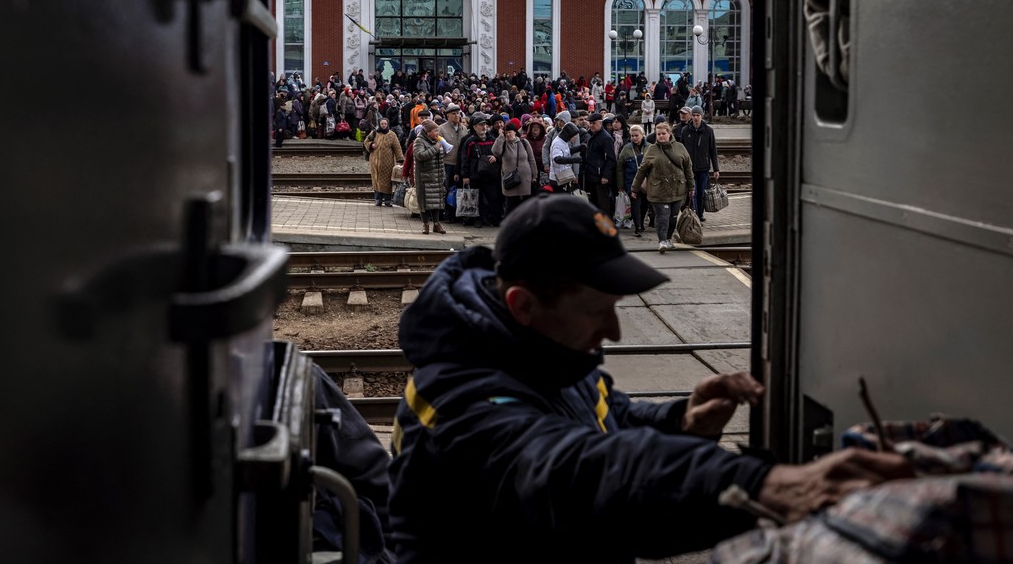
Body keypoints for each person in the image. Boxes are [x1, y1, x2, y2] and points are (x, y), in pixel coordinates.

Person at [388, 196, 913, 564]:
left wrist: (678, 419)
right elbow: (578, 471)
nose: (614, 332)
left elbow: (605, 416)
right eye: (598, 310)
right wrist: (759, 484)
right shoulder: (456, 397)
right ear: (522, 306)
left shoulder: (544, 352)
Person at [632, 121, 695, 252]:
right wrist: (635, 188)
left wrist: (691, 187)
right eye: (658, 134)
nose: (660, 136)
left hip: (677, 189)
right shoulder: (652, 150)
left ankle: (668, 239)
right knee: (662, 217)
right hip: (658, 190)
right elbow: (642, 170)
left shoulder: (680, 147)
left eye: (663, 133)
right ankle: (662, 241)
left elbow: (688, 168)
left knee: (673, 218)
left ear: (669, 133)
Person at [677, 106, 720, 223]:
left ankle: (700, 214)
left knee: (701, 193)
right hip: (689, 168)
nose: (696, 118)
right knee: (693, 192)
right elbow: (681, 149)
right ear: (691, 116)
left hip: (703, 167)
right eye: (694, 115)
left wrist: (716, 169)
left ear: (702, 116)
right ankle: (694, 214)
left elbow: (713, 151)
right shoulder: (685, 130)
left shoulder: (708, 131)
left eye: (698, 115)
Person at [491, 118, 537, 218]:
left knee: (525, 204)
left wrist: (534, 175)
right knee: (510, 204)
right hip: (510, 179)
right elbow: (495, 152)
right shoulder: (503, 143)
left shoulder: (524, 143)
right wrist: (500, 137)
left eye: (510, 132)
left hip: (525, 178)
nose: (508, 134)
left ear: (515, 132)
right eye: (506, 132)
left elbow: (531, 159)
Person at [411, 120, 447, 234]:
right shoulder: (419, 141)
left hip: (436, 176)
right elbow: (420, 155)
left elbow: (440, 158)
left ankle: (436, 224)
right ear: (428, 132)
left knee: (436, 202)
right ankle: (425, 224)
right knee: (424, 202)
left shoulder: (436, 140)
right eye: (435, 131)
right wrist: (436, 147)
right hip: (424, 177)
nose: (438, 133)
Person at [582, 114, 617, 217]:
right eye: (590, 123)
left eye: (594, 123)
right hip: (592, 175)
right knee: (594, 204)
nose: (592, 125)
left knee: (603, 204)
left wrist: (605, 175)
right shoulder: (592, 135)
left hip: (601, 177)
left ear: (600, 123)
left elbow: (611, 159)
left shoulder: (606, 138)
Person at [616, 123, 648, 236]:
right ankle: (638, 227)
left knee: (645, 204)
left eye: (636, 135)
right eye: (632, 136)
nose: (634, 138)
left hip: (646, 182)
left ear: (642, 135)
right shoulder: (626, 149)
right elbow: (620, 168)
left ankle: (641, 223)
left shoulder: (649, 147)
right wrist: (620, 185)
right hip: (631, 181)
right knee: (635, 203)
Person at [364, 117, 404, 207]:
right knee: (376, 180)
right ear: (379, 124)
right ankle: (378, 200)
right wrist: (371, 145)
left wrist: (400, 159)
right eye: (382, 124)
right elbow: (366, 141)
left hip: (388, 162)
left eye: (385, 124)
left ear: (388, 124)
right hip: (375, 162)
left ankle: (387, 200)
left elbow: (397, 147)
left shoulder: (392, 135)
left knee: (387, 181)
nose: (383, 125)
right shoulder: (374, 133)